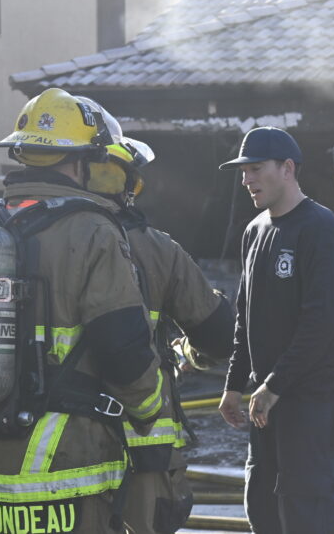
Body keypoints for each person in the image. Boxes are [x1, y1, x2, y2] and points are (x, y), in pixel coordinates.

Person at [0, 88, 166, 533]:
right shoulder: (94, 230)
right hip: (71, 475)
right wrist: (148, 407)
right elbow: (121, 343)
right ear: (83, 162)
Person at [83, 120, 235, 534]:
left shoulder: (26, 241)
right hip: (141, 442)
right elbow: (220, 336)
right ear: (127, 186)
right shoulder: (156, 248)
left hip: (50, 447)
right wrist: (185, 352)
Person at [217, 126, 334, 534]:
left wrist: (274, 385)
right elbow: (245, 317)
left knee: (308, 513)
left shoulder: (319, 227)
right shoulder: (254, 231)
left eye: (256, 168)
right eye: (243, 171)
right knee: (262, 507)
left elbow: (323, 322)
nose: (246, 179)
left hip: (310, 402)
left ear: (288, 168)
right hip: (267, 404)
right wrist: (234, 384)